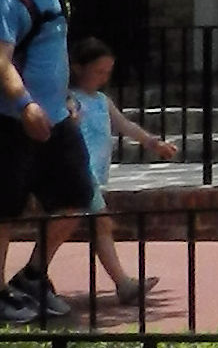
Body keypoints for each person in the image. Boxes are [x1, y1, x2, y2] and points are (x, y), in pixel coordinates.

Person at [35, 34, 179, 310]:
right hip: (79, 170)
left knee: (77, 225)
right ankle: (123, 283)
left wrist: (153, 143)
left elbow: (125, 126)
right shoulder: (69, 99)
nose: (103, 77)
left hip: (93, 173)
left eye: (107, 72)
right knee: (101, 223)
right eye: (98, 71)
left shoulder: (102, 101)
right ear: (79, 68)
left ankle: (36, 271)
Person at [0, 0, 93, 326]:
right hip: (14, 121)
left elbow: (50, 57)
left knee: (77, 196)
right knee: (5, 208)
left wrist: (64, 97)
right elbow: (1, 61)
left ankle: (34, 276)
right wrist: (25, 105)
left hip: (57, 119)